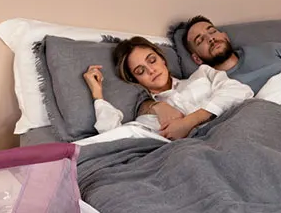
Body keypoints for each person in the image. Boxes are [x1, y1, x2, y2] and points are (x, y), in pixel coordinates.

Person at [84, 36, 254, 143]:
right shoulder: (150, 116)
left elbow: (241, 91)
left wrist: (189, 122)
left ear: (162, 59)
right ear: (136, 80)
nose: (151, 70)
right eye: (140, 71)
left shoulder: (202, 74)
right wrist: (97, 94)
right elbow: (114, 137)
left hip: (237, 128)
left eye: (152, 60)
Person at [176, 17, 281, 121]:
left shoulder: (270, 49)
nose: (210, 38)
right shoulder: (215, 87)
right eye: (200, 40)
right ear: (197, 59)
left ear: (225, 36)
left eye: (212, 31)